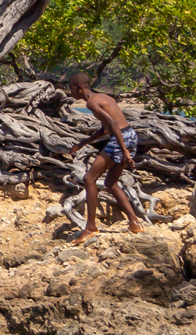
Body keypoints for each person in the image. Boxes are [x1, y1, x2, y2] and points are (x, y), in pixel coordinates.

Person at [62, 72, 144, 243]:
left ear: (78, 88)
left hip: (121, 138)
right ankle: (134, 222)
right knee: (110, 183)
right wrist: (84, 142)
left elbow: (114, 125)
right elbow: (105, 129)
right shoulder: (102, 97)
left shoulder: (91, 103)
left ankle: (91, 227)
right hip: (130, 134)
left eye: (70, 88)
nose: (70, 92)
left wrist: (124, 151)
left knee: (89, 179)